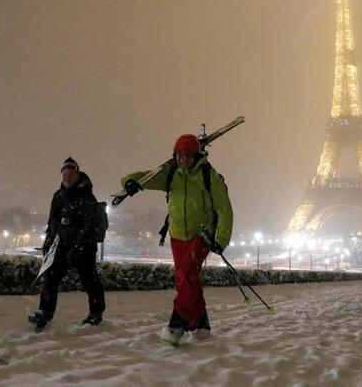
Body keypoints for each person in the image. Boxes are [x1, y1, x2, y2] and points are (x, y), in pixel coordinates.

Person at [121, 134, 233, 345]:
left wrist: (221, 239)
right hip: (177, 236)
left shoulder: (209, 176)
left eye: (187, 156)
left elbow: (225, 209)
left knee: (186, 277)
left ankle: (177, 324)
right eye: (179, 156)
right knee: (188, 278)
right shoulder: (172, 174)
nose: (183, 160)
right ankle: (201, 325)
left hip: (200, 235)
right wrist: (129, 182)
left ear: (196, 156)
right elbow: (145, 177)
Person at [28, 157, 106, 329]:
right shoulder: (59, 196)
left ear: (77, 175)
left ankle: (96, 313)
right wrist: (48, 242)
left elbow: (89, 225)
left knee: (89, 280)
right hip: (62, 245)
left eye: (70, 174)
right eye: (64, 174)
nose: (67, 178)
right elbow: (53, 223)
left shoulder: (87, 197)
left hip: (83, 247)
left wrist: (78, 246)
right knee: (51, 278)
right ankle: (45, 312)